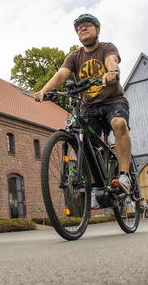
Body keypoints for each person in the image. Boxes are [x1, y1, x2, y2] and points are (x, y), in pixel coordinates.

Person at [33, 13, 133, 195]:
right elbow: (61, 75)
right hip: (90, 106)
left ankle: (124, 175)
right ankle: (95, 187)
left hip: (112, 101)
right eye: (79, 28)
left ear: (98, 30)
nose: (83, 29)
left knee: (119, 123)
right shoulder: (74, 57)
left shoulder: (106, 48)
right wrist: (43, 91)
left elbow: (112, 61)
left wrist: (112, 72)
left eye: (87, 25)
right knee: (81, 140)